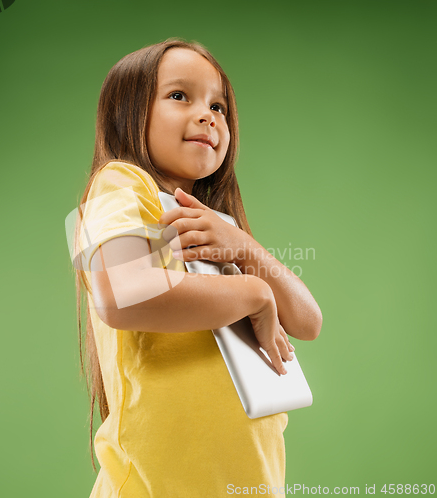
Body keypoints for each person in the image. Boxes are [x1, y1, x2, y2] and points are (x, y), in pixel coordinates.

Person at [71, 38, 322, 498]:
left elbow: (308, 321)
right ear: (126, 114)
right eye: (179, 95)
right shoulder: (121, 186)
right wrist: (252, 293)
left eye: (219, 105)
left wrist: (243, 246)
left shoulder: (217, 227)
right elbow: (121, 294)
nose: (209, 115)